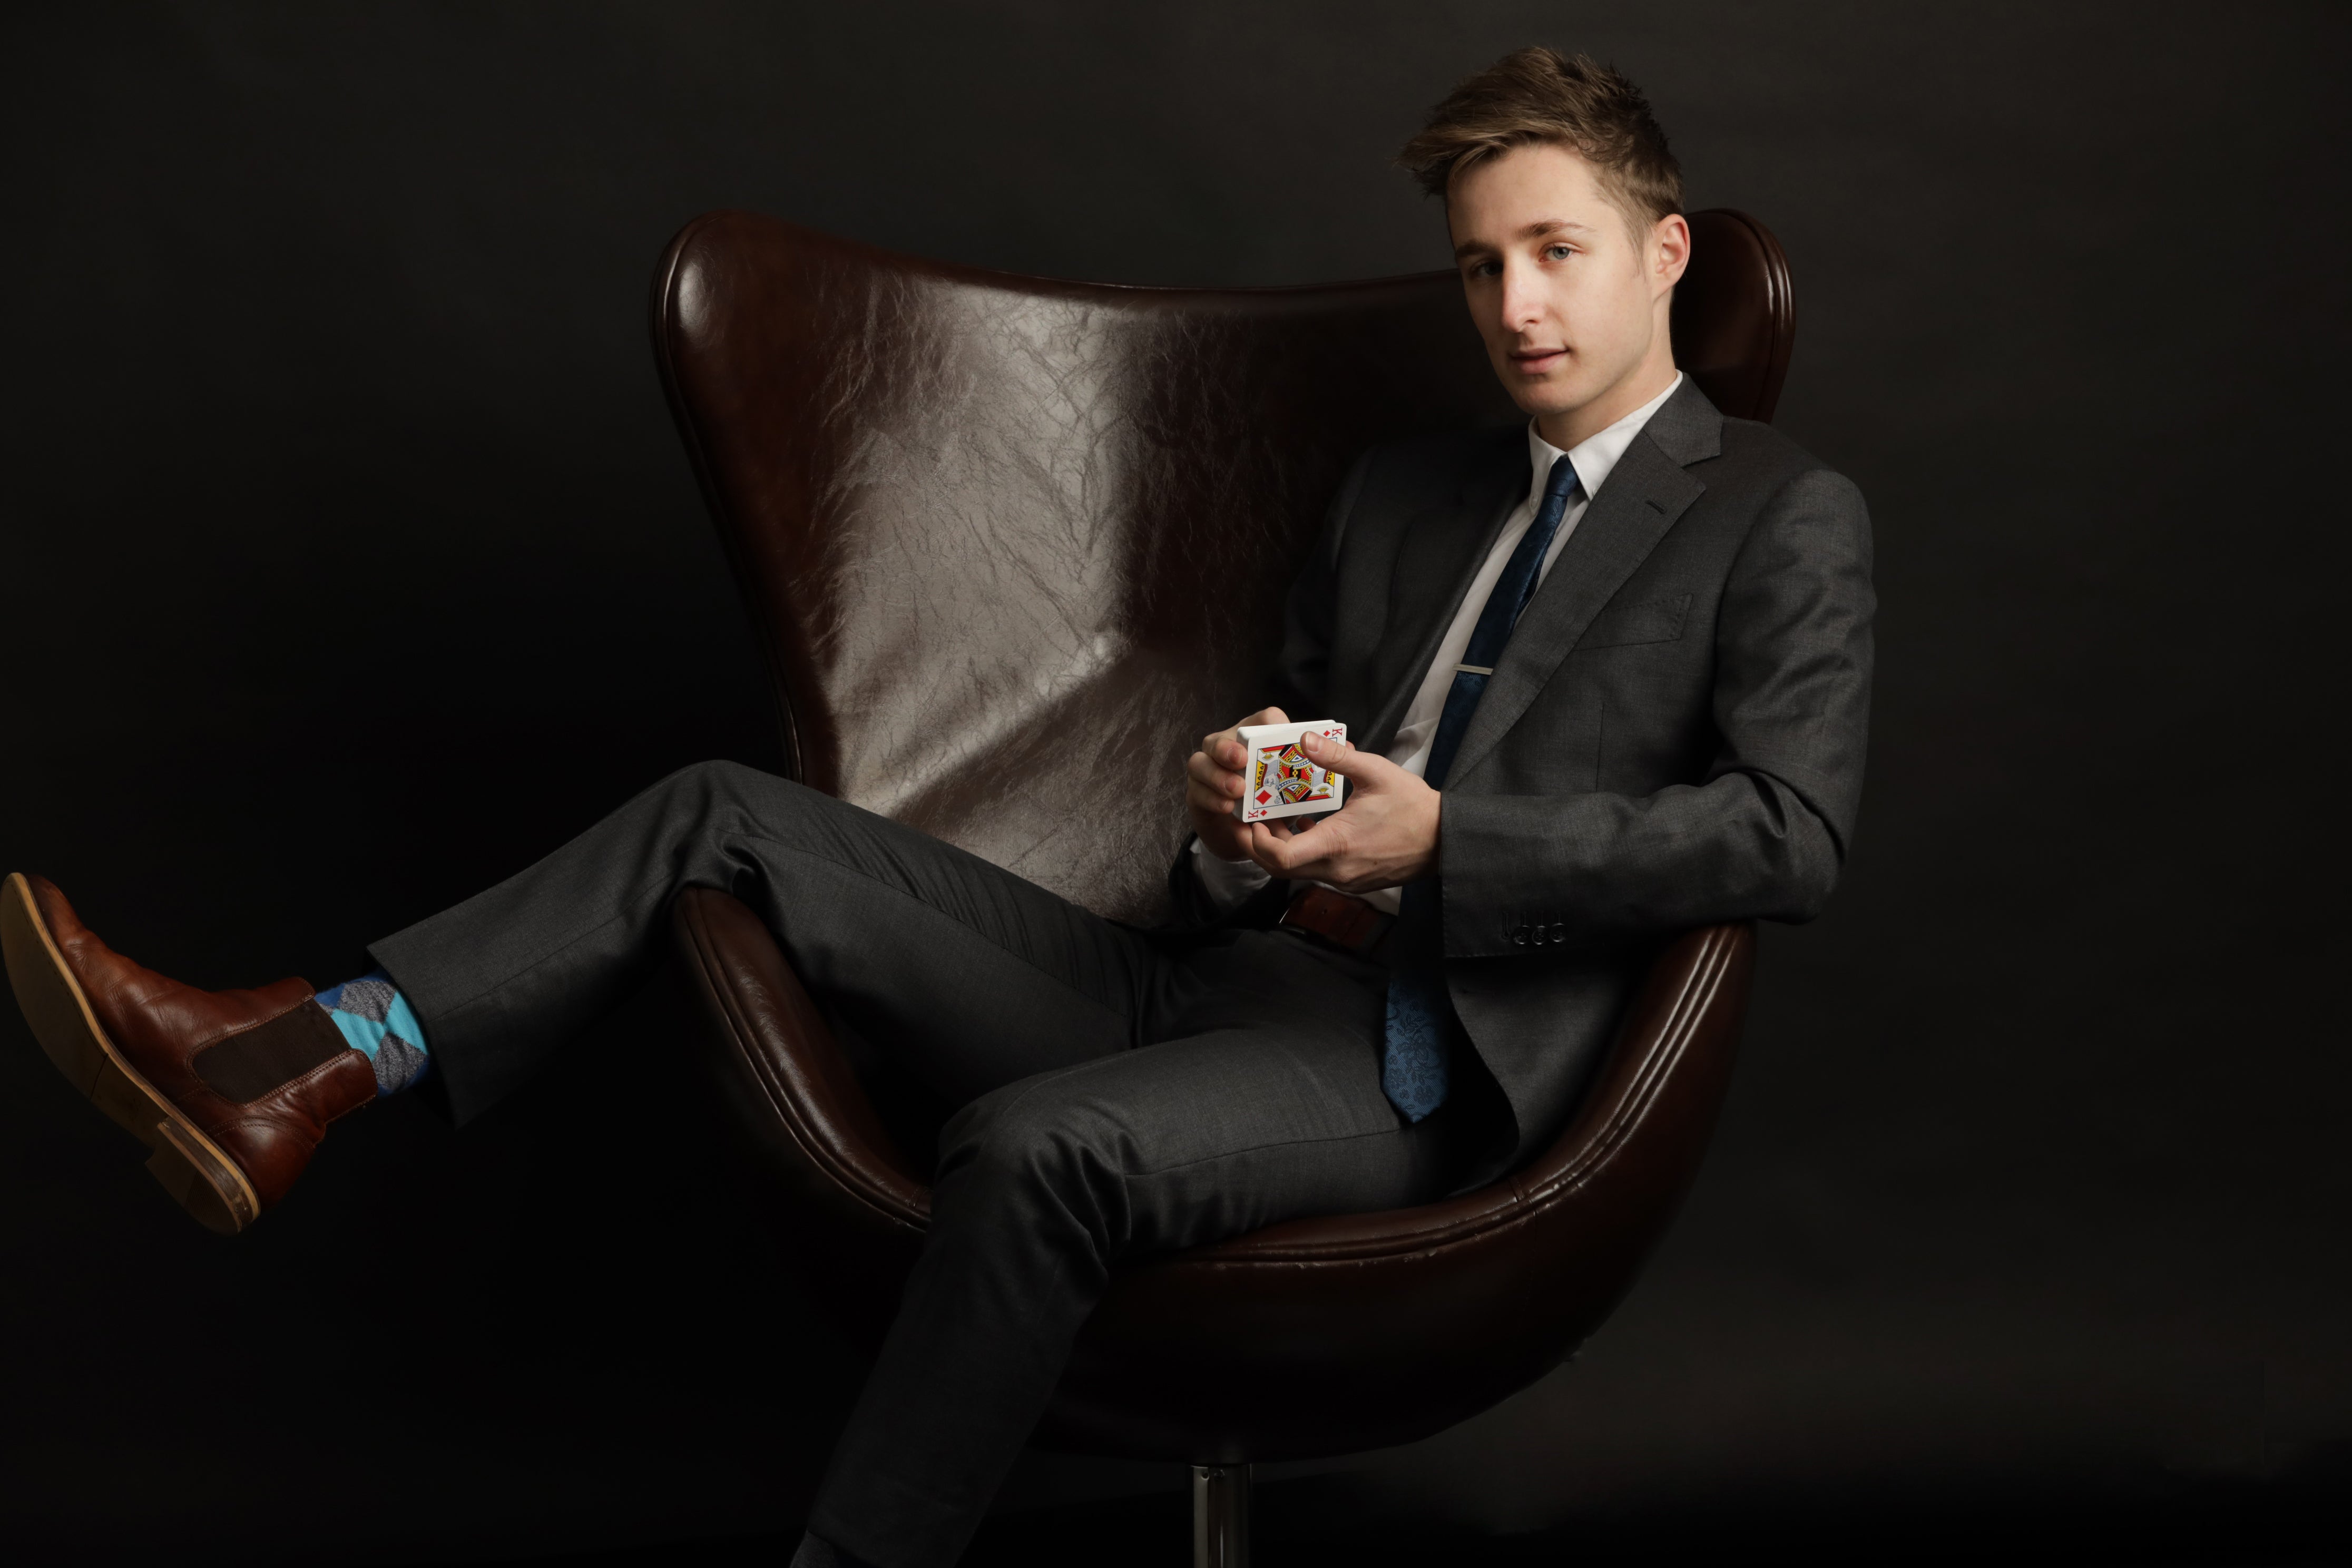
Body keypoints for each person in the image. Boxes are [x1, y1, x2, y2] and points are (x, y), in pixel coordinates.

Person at [0, 45, 1871, 1568]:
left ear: (1666, 252)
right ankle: (306, 1058)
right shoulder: (1405, 493)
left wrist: (1443, 845)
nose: (1515, 303)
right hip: (1211, 970)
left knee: (1038, 1147)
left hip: (1413, 1056)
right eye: (1481, 264)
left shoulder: (1774, 513)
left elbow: (1789, 834)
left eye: (1554, 250)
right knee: (721, 809)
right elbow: (1282, 783)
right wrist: (1240, 816)